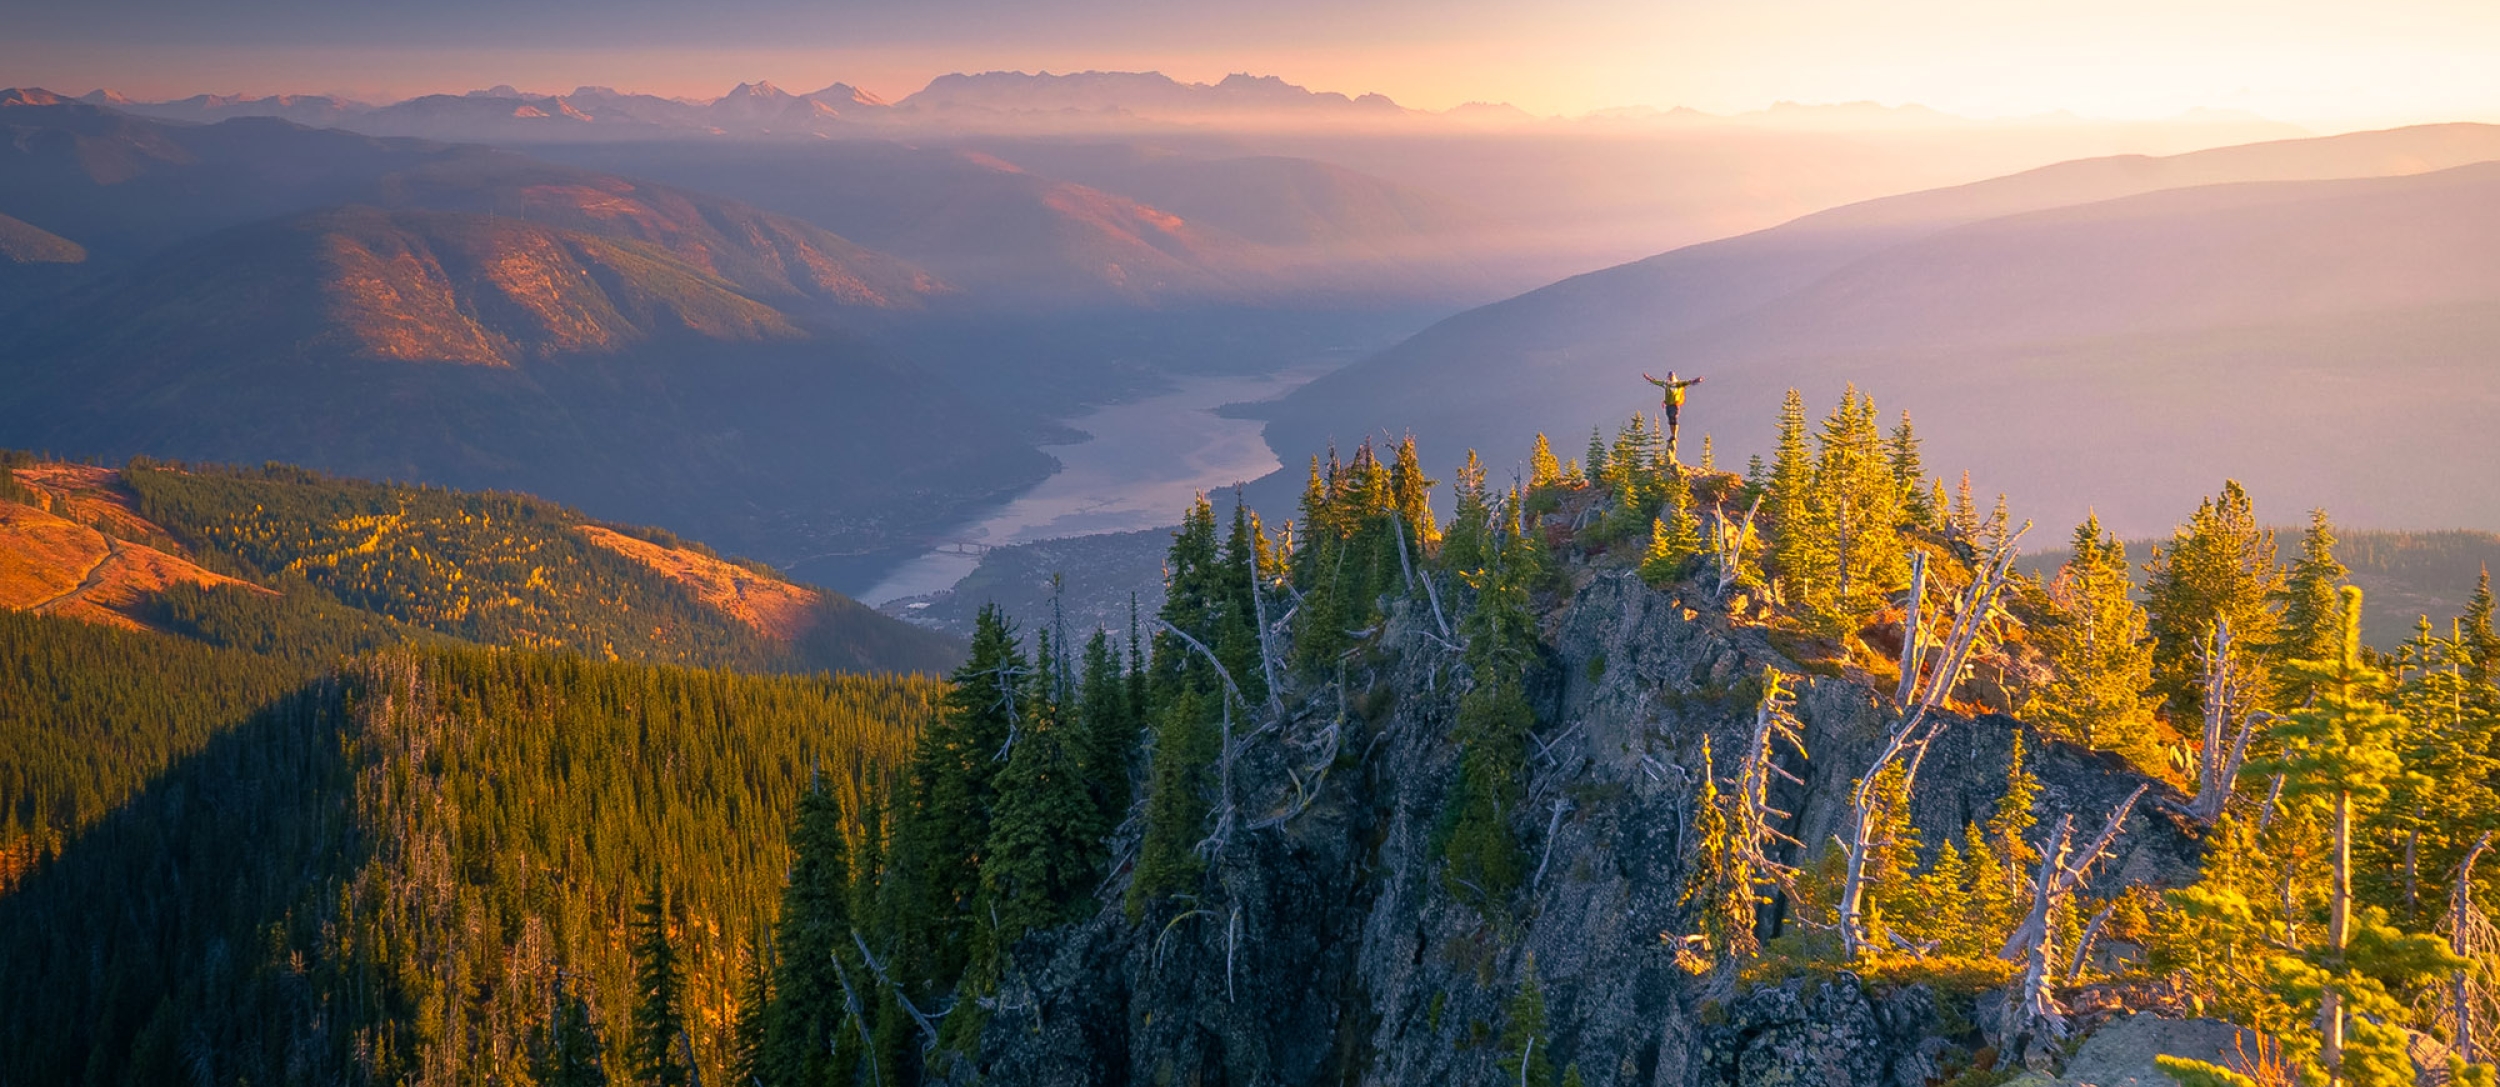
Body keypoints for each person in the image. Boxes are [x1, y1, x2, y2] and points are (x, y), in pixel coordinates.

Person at [1643, 371, 1704, 454]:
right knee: (1670, 420)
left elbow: (1689, 382)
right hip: (1668, 405)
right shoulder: (1666, 384)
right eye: (1670, 376)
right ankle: (1672, 435)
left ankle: (1674, 435)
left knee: (1674, 418)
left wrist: (1696, 380)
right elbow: (1657, 382)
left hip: (1675, 405)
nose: (1671, 377)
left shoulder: (1679, 384)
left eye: (1672, 376)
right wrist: (1649, 379)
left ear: (1674, 376)